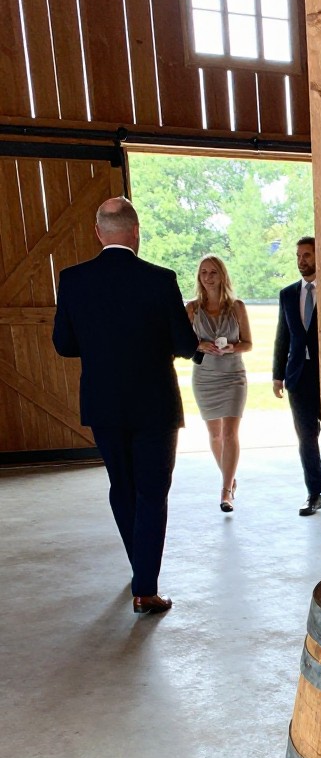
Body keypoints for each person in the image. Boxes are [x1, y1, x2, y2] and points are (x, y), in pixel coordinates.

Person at [52, 196, 198, 615]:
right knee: (153, 491)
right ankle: (145, 588)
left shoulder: (73, 279)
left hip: (103, 403)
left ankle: (140, 567)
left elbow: (64, 345)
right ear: (136, 232)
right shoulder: (160, 279)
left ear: (99, 233)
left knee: (122, 485)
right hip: (154, 403)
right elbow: (184, 344)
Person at [187, 256, 251, 512]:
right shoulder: (191, 309)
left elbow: (248, 343)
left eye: (213, 272)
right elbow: (182, 345)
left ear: (222, 275)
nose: (208, 277)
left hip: (233, 375)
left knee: (229, 432)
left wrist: (231, 348)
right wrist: (199, 344)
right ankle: (230, 478)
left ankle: (225, 492)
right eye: (203, 272)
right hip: (204, 377)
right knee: (214, 434)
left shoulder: (237, 307)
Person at [273, 236, 321, 515]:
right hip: (298, 377)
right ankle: (314, 492)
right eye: (299, 256)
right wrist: (277, 374)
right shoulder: (288, 294)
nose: (302, 261)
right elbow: (284, 336)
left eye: (307, 255)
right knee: (306, 437)